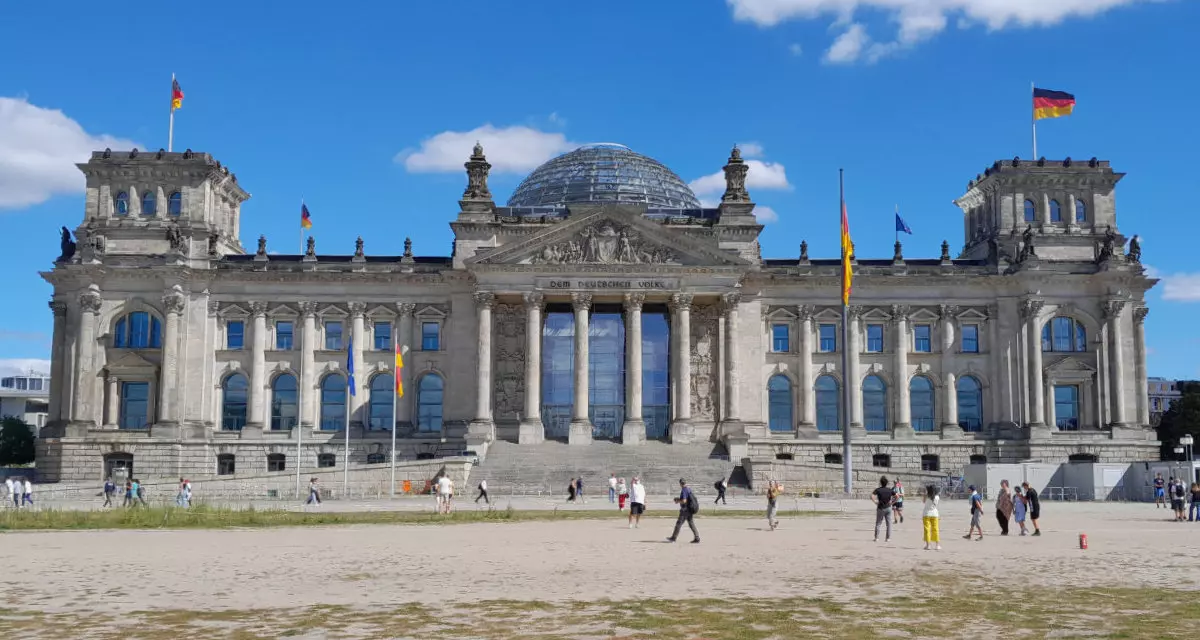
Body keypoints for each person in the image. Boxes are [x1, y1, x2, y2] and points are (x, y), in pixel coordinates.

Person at [667, 478, 700, 544]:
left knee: (679, 523)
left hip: (685, 510)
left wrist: (678, 501)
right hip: (690, 510)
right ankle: (697, 538)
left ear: (680, 484)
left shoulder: (684, 490)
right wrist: (679, 499)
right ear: (685, 482)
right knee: (691, 523)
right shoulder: (688, 489)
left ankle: (673, 538)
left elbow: (684, 501)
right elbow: (687, 499)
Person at [870, 476, 895, 543]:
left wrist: (875, 502)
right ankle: (888, 538)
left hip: (880, 508)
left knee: (878, 523)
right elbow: (897, 496)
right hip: (888, 507)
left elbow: (871, 495)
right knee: (889, 524)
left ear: (881, 483)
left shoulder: (878, 490)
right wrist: (892, 502)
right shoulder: (890, 490)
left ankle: (876, 538)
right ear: (886, 483)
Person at [922, 484, 941, 551]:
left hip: (926, 513)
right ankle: (937, 545)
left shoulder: (927, 496)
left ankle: (928, 545)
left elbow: (923, 501)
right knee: (935, 529)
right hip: (935, 514)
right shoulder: (937, 497)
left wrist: (925, 494)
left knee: (927, 530)